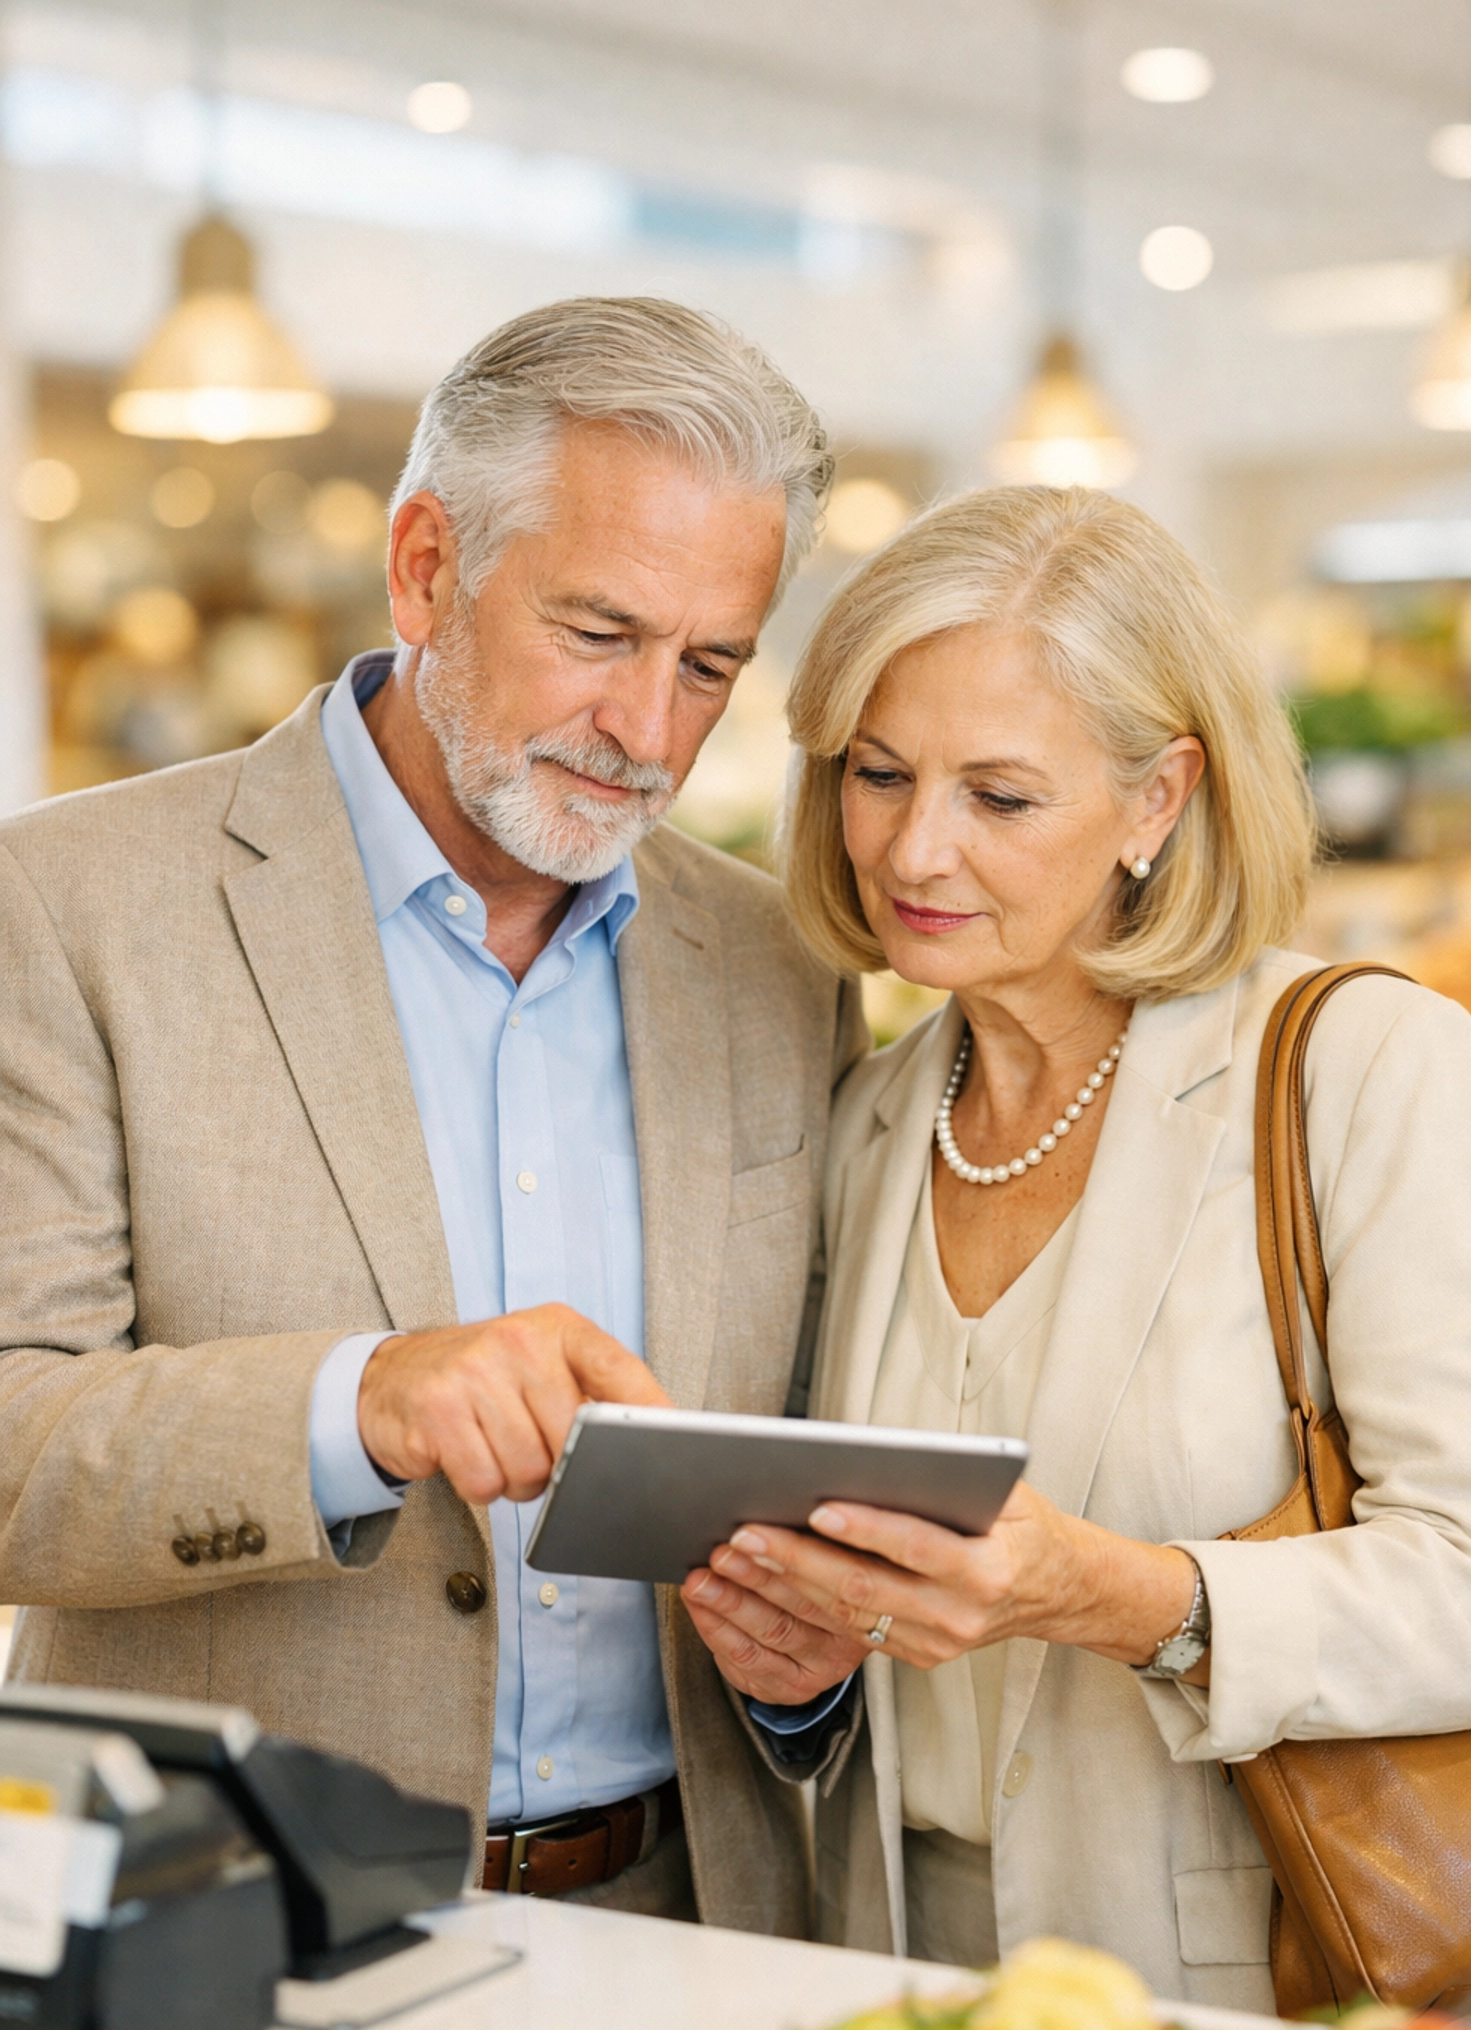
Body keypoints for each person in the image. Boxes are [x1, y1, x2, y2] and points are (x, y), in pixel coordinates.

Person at [0, 296, 866, 1929]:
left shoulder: (775, 961)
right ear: (424, 568)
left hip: (689, 1916)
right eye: (600, 635)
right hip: (236, 1915)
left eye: (712, 667)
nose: (650, 732)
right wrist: (361, 1401)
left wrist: (813, 1656)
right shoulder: (65, 904)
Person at [681, 483, 1471, 2030]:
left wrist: (1118, 1595)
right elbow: (889, 1666)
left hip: (1256, 1993)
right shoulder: (871, 1120)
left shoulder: (1356, 1063)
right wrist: (798, 1666)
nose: (913, 847)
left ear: (1159, 800)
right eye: (879, 774)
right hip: (900, 1990)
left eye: (1000, 798)